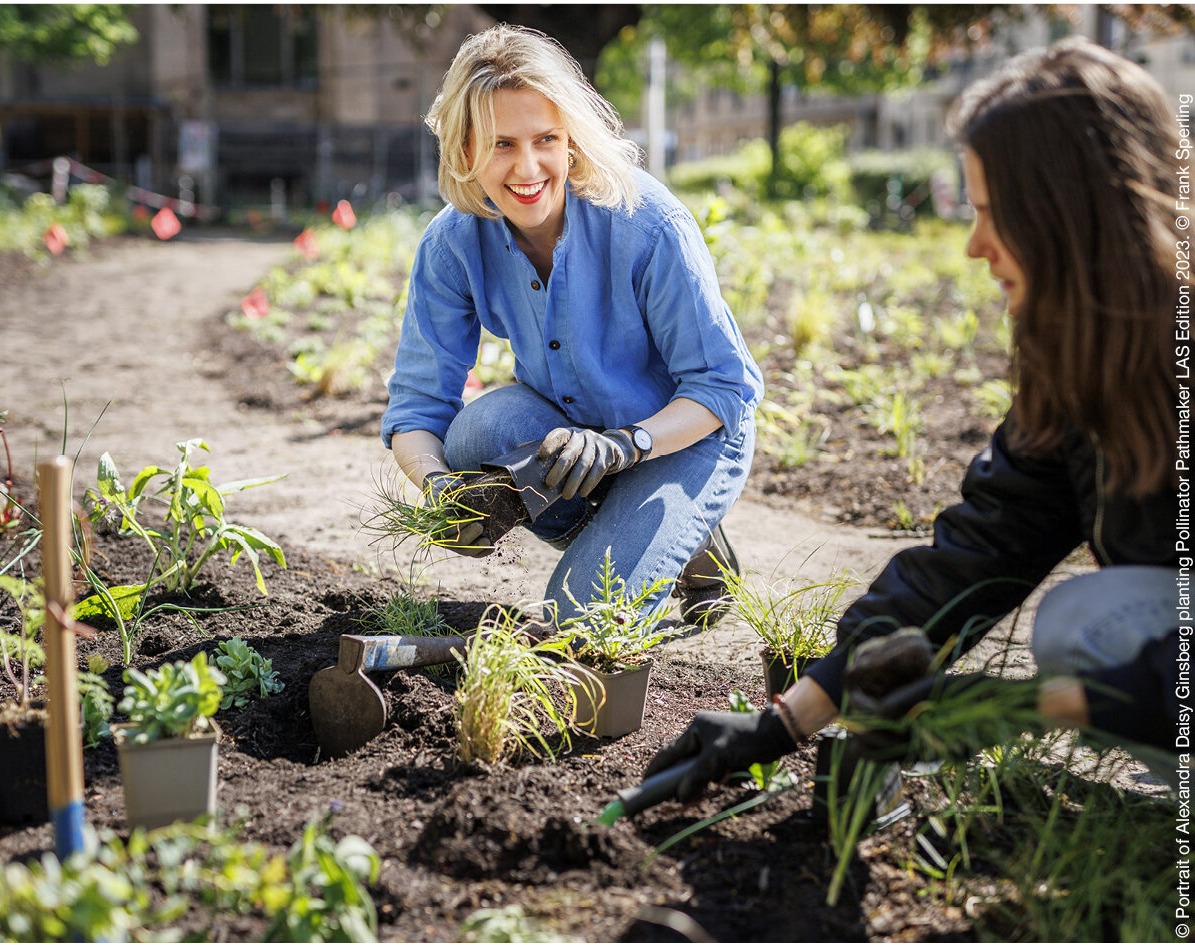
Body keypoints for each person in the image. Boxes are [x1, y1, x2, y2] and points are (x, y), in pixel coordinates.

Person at [647, 35, 1182, 799]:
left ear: (1070, 218)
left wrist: (1011, 707)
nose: (973, 245)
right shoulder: (1083, 351)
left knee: (1086, 623)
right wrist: (785, 719)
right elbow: (982, 549)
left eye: (995, 214)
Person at [380, 25, 763, 622]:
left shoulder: (647, 224)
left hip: (686, 436)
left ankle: (677, 537)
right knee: (476, 435)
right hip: (576, 442)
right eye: (502, 144)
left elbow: (723, 386)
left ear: (571, 143)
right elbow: (417, 406)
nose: (527, 167)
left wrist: (625, 446)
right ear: (464, 151)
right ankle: (644, 536)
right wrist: (437, 488)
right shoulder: (453, 245)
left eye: (546, 140)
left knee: (575, 618)